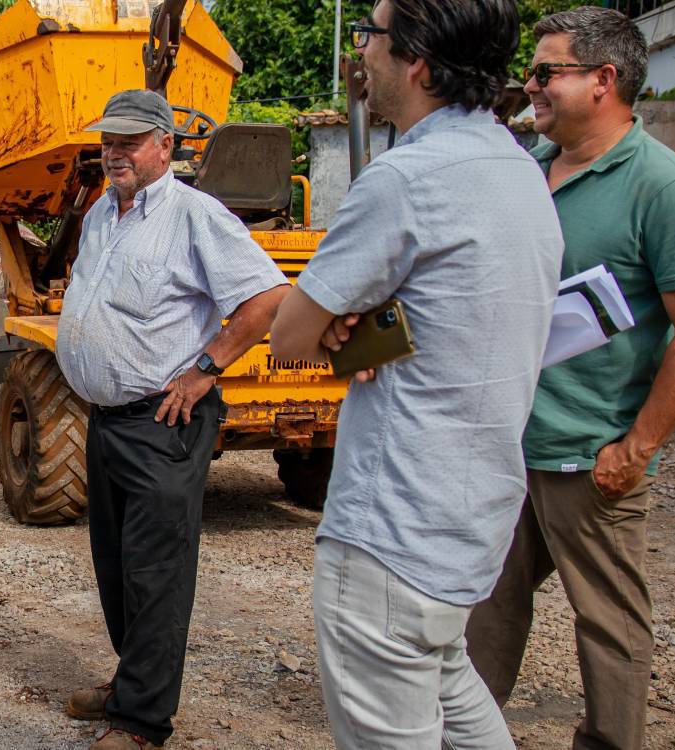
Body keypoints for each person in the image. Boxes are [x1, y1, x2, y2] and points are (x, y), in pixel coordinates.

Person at [267, 0, 564, 746]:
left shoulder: (405, 179)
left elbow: (290, 337)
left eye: (369, 35)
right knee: (452, 689)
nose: (358, 52)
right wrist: (365, 319)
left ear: (419, 62)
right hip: (469, 518)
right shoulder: (520, 171)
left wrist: (341, 321)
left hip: (390, 532)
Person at [465, 9, 675, 750]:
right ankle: (462, 735)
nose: (530, 85)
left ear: (603, 81)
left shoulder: (662, 186)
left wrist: (634, 448)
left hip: (590, 453)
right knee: (483, 605)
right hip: (509, 441)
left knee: (608, 624)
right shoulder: (527, 168)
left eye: (546, 71)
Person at [55, 89, 290, 750]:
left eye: (129, 141)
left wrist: (204, 370)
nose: (115, 152)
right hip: (106, 418)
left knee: (155, 572)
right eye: (108, 140)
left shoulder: (194, 215)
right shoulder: (103, 212)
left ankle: (140, 723)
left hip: (162, 421)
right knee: (115, 564)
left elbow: (266, 298)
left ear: (165, 144)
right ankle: (133, 681)